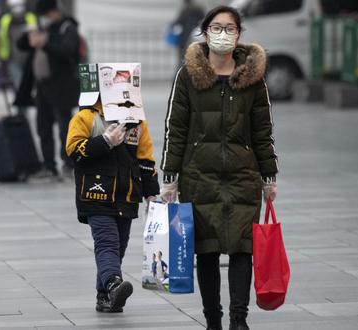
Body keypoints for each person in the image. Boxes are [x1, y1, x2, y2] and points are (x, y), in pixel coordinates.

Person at [160, 6, 278, 330]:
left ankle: (239, 320)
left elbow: (263, 130)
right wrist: (169, 178)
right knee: (207, 251)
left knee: (243, 249)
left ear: (239, 34)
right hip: (200, 176)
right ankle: (213, 319)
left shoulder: (253, 78)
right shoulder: (187, 76)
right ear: (205, 31)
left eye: (229, 27)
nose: (222, 33)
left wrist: (269, 177)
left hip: (244, 176)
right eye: (216, 27)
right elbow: (176, 128)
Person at [66, 97, 160, 313]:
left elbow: (145, 160)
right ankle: (114, 284)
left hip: (126, 196)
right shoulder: (86, 117)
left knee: (119, 247)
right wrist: (105, 141)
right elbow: (73, 150)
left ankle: (105, 296)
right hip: (96, 195)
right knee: (107, 243)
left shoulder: (136, 122)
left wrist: (151, 193)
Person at [17, 0, 80, 180]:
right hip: (42, 87)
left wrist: (45, 44)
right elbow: (22, 46)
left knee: (64, 128)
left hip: (62, 86)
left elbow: (67, 51)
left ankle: (68, 165)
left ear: (54, 12)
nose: (43, 19)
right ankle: (49, 166)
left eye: (45, 15)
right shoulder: (43, 29)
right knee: (43, 127)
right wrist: (29, 35)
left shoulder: (67, 28)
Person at [0, 0, 37, 94]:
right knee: (17, 81)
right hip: (12, 57)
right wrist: (0, 56)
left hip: (28, 57)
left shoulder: (30, 18)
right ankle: (21, 104)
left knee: (26, 82)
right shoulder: (5, 20)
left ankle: (23, 102)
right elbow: (1, 39)